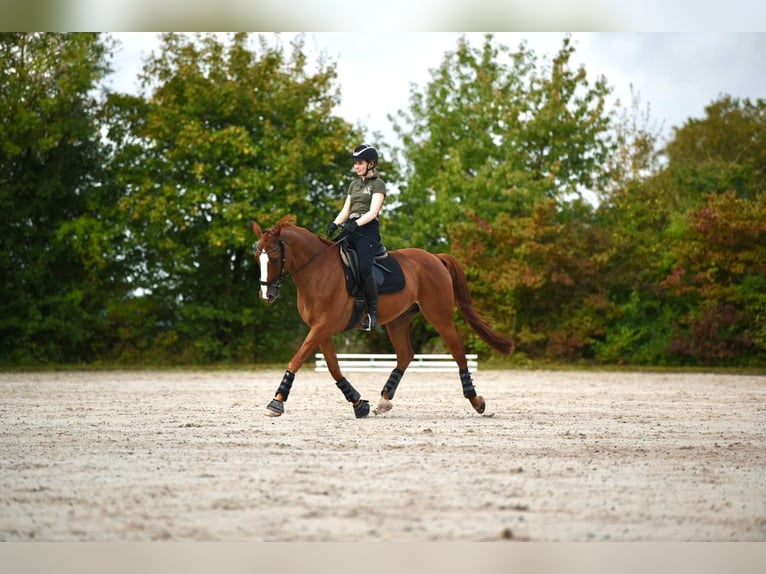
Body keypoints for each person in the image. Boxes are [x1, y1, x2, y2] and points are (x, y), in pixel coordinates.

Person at [326, 144, 386, 331]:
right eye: (355, 164)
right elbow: (346, 210)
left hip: (367, 230)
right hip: (351, 227)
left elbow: (373, 212)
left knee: (363, 266)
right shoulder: (354, 185)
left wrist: (356, 224)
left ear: (371, 164)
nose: (356, 167)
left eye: (359, 163)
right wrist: (335, 224)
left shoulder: (378, 184)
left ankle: (372, 313)